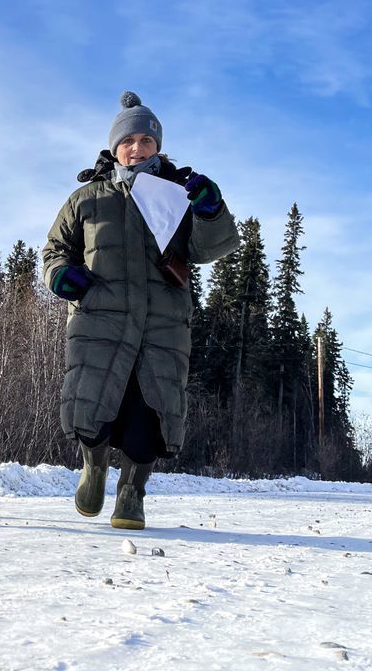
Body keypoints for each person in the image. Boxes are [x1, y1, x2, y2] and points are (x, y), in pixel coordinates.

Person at [43, 91, 240, 530]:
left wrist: (209, 210)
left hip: (162, 325)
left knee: (149, 415)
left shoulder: (176, 194)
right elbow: (55, 250)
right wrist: (61, 275)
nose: (137, 148)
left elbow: (212, 248)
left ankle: (132, 492)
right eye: (128, 140)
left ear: (158, 147)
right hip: (100, 319)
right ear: (115, 148)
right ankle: (93, 468)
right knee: (91, 408)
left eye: (146, 141)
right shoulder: (87, 197)